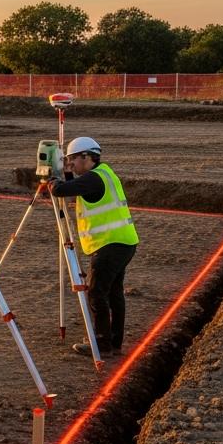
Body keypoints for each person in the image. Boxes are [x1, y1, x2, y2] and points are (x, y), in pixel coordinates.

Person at [51, 137, 139, 358]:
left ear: (86, 157)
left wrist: (53, 182)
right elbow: (75, 188)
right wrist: (66, 177)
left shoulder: (93, 179)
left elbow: (60, 191)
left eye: (73, 161)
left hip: (109, 245)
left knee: (97, 294)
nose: (71, 165)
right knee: (114, 293)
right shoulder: (104, 173)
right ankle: (114, 342)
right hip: (124, 242)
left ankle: (101, 345)